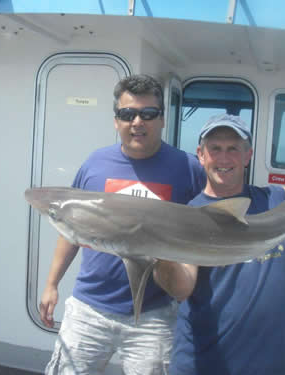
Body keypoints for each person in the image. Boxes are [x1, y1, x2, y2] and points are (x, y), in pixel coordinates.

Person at [40, 74, 205, 374]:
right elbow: (71, 231)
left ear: (162, 119)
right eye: (127, 114)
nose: (137, 122)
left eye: (148, 113)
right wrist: (51, 284)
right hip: (89, 307)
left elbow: (209, 229)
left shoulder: (188, 168)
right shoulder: (94, 165)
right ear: (116, 121)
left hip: (154, 315)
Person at [153, 114, 285, 375]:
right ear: (201, 154)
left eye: (233, 149)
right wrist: (160, 255)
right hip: (207, 364)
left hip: (274, 363)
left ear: (248, 155)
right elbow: (181, 287)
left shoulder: (275, 200)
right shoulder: (191, 216)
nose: (223, 158)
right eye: (215, 149)